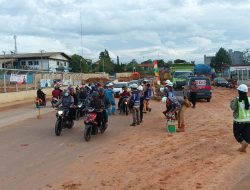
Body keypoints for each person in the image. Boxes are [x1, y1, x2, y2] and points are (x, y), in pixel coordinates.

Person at [230, 84, 250, 152]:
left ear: (239, 91)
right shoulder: (249, 99)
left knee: (236, 133)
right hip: (248, 121)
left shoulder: (237, 99)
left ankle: (243, 143)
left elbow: (233, 108)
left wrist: (232, 102)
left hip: (238, 121)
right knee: (246, 134)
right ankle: (244, 146)